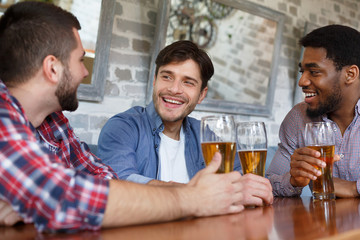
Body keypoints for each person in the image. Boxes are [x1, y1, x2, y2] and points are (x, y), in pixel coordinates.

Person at [0, 1, 273, 232]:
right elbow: (61, 196)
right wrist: (193, 198)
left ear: (202, 94)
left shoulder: (54, 123)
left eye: (188, 82)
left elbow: (104, 179)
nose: (85, 72)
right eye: (81, 59)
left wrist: (40, 197)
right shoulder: (3, 112)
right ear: (52, 68)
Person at [97, 40, 243, 185]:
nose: (174, 89)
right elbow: (118, 182)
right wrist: (193, 194)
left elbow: (238, 176)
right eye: (167, 77)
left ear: (201, 95)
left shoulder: (204, 134)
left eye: (188, 82)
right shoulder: (123, 127)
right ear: (154, 80)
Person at [266, 24, 360, 198]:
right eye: (303, 71)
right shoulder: (298, 117)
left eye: (314, 72)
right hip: (318, 224)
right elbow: (269, 183)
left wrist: (354, 188)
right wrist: (294, 180)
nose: (301, 81)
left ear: (350, 74)